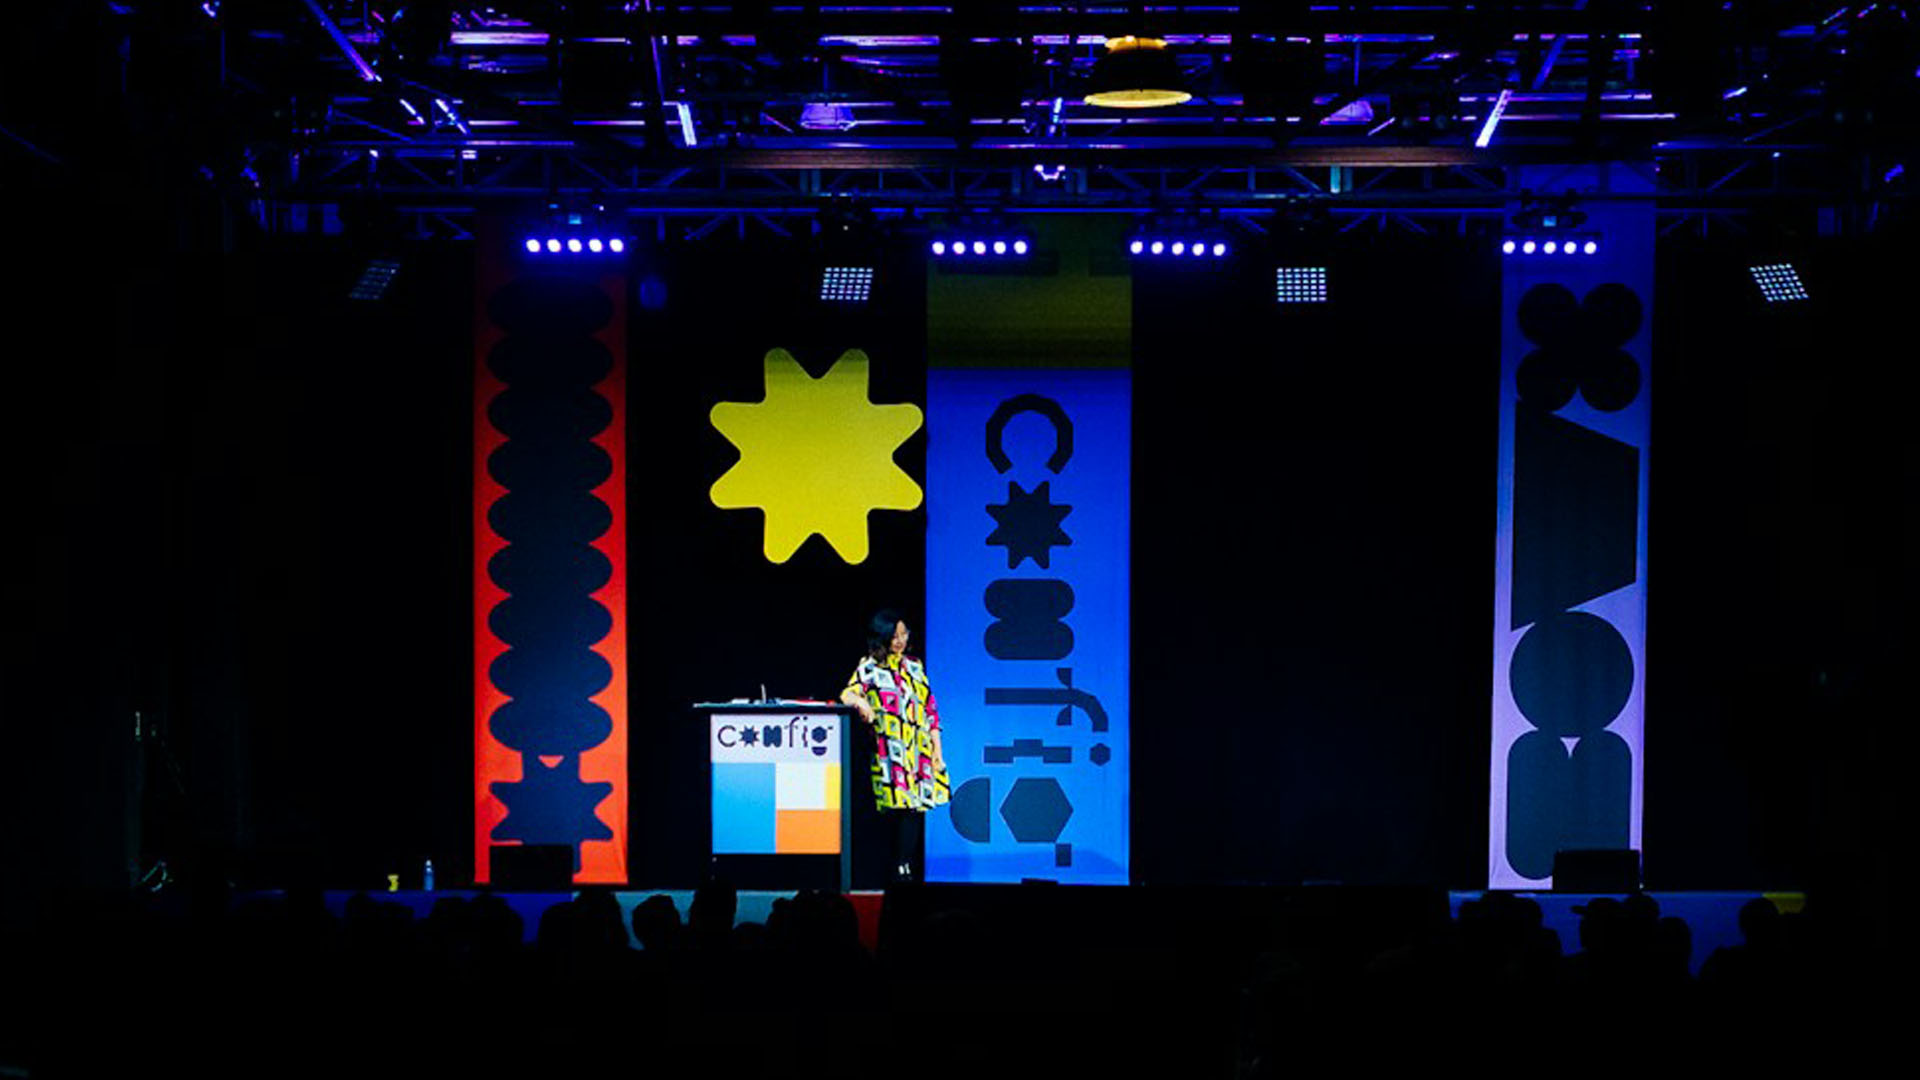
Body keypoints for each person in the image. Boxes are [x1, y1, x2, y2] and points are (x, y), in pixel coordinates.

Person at [840, 610, 949, 882]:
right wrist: (862, 703)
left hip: (918, 751)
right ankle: (892, 871)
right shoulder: (870, 668)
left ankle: (905, 867)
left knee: (915, 809)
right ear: (883, 637)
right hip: (889, 752)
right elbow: (847, 694)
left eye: (903, 634)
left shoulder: (915, 667)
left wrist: (937, 752)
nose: (900, 640)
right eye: (894, 635)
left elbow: (931, 711)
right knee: (895, 809)